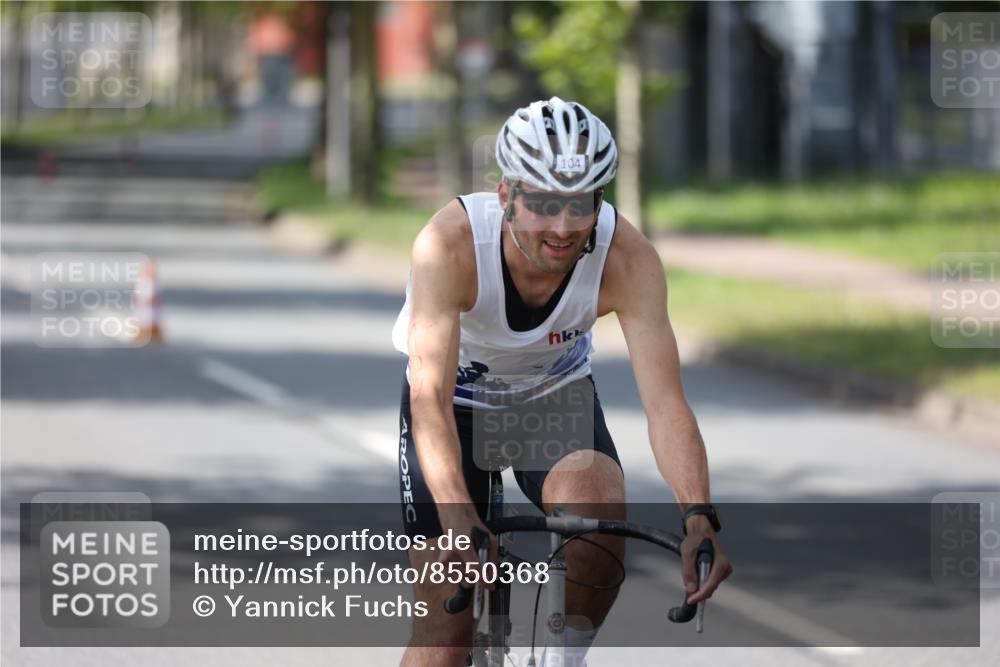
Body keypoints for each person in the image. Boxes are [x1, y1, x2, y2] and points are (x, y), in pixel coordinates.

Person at [392, 96, 732, 667]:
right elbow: (429, 396)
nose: (563, 227)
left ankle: (564, 661)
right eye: (545, 204)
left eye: (580, 205)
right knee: (445, 631)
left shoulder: (628, 258)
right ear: (507, 195)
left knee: (598, 517)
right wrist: (455, 513)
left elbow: (667, 405)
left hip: (551, 400)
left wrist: (698, 514)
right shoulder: (449, 246)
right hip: (454, 407)